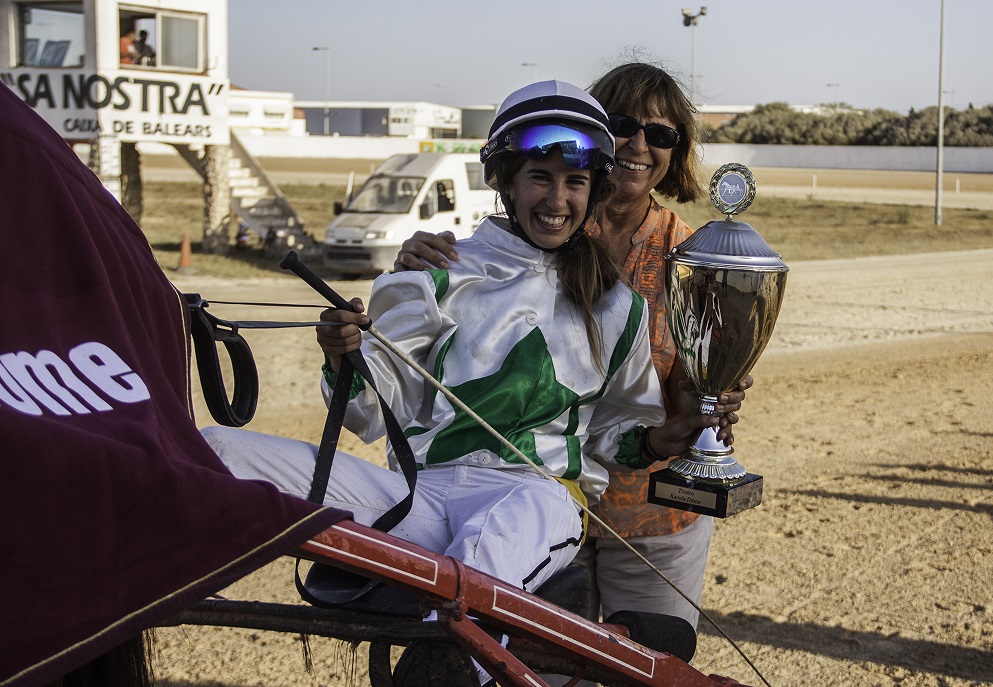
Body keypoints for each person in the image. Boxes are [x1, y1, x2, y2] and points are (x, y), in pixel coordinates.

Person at [203, 79, 721, 685]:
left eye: (575, 183)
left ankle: (440, 659)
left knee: (507, 524)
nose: (558, 199)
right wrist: (345, 358)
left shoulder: (619, 307)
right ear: (502, 179)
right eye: (539, 177)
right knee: (219, 449)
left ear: (594, 188)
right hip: (421, 497)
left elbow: (614, 435)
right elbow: (374, 411)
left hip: (538, 498)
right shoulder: (432, 273)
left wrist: (662, 441)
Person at [392, 62, 752, 635]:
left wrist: (713, 406)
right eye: (624, 125)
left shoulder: (700, 255)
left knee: (643, 666)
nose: (639, 145)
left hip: (656, 519)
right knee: (538, 669)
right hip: (526, 504)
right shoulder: (545, 222)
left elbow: (699, 384)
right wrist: (413, 270)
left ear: (676, 152)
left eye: (660, 134)